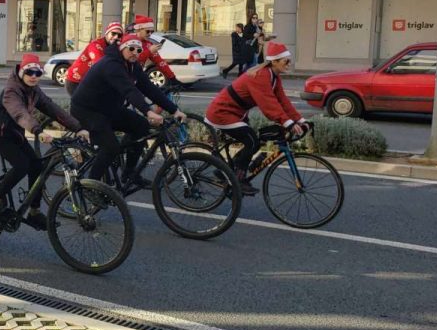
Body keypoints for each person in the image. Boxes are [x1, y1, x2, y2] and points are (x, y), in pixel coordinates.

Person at [0, 54, 90, 231]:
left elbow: (53, 109)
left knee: (37, 167)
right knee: (22, 166)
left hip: (15, 134)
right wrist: (37, 130)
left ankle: (34, 212)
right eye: (30, 72)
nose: (34, 76)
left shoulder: (34, 90)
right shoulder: (12, 90)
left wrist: (78, 128)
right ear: (21, 72)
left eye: (38, 72)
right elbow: (20, 114)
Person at [71, 34, 187, 188]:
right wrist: (148, 111)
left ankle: (129, 172)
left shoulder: (133, 66)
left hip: (108, 108)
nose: (135, 52)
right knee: (110, 147)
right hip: (87, 109)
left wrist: (174, 110)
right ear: (122, 48)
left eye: (138, 50)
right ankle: (92, 186)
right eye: (131, 48)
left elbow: (150, 89)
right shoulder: (111, 64)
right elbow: (129, 91)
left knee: (141, 126)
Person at [205, 41, 307, 195]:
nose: (289, 64)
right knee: (252, 140)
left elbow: (283, 101)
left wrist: (300, 120)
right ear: (274, 61)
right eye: (286, 61)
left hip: (237, 113)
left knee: (255, 141)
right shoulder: (261, 76)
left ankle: (224, 172)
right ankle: (237, 180)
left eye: (289, 60)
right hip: (222, 112)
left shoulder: (274, 77)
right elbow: (269, 105)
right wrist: (288, 123)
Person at [64, 21, 124, 96]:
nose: (116, 37)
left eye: (119, 35)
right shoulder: (96, 45)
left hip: (89, 82)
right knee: (84, 106)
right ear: (107, 33)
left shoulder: (114, 47)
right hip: (75, 81)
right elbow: (101, 66)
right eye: (113, 33)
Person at [129, 15, 180, 86]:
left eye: (152, 32)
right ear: (139, 29)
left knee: (157, 94)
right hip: (126, 76)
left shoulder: (148, 44)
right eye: (147, 31)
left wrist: (172, 77)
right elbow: (132, 60)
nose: (150, 34)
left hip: (137, 75)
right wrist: (149, 51)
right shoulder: (130, 41)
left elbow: (160, 62)